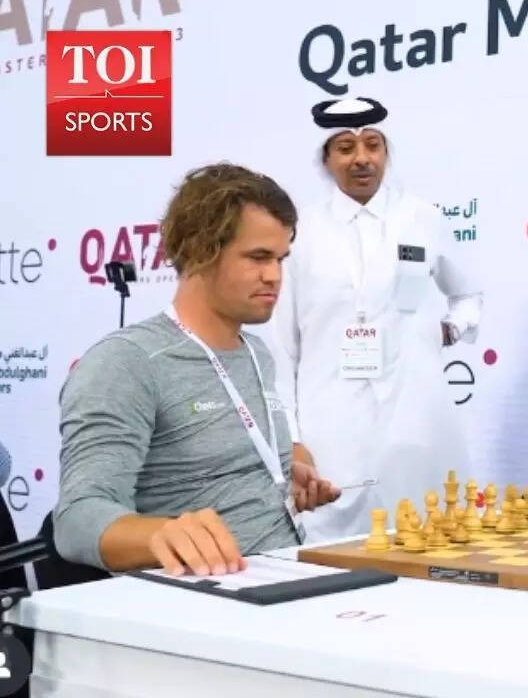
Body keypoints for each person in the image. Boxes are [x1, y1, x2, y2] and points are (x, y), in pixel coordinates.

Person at [54, 163, 341, 577]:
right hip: (202, 600)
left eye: (280, 259)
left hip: (289, 578)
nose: (275, 276)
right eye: (258, 258)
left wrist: (278, 481)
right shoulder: (126, 361)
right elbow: (76, 520)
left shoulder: (257, 353)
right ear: (199, 251)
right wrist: (161, 534)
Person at [267, 97, 483, 543]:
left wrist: (451, 328)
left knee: (427, 536)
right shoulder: (299, 232)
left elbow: (468, 295)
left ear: (387, 152)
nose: (361, 158)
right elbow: (281, 347)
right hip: (331, 421)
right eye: (346, 148)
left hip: (415, 414)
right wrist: (291, 437)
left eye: (372, 145)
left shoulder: (423, 219)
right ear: (326, 160)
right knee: (334, 543)